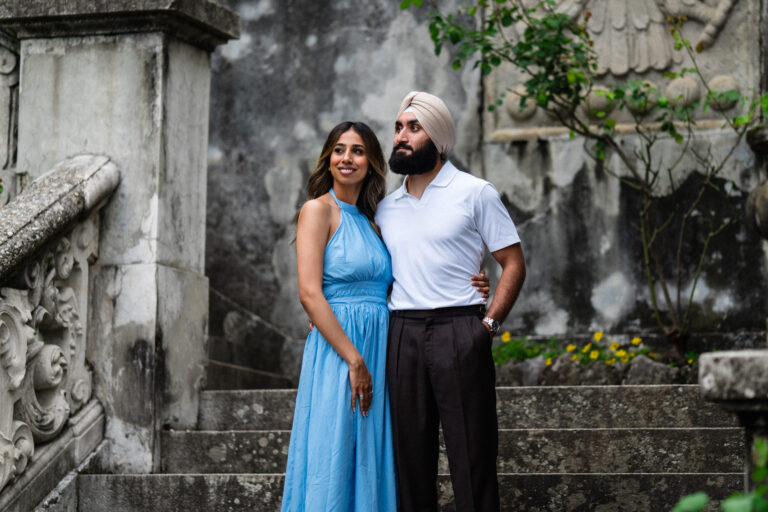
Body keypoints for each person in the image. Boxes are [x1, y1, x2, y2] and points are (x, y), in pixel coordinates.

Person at [281, 121, 490, 511]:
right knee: (336, 450)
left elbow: (406, 276)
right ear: (328, 159)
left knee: (372, 454)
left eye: (358, 151)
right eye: (339, 150)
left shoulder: (377, 219)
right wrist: (353, 358)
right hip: (342, 353)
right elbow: (309, 292)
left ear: (372, 162)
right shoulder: (317, 210)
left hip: (382, 347)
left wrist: (472, 282)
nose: (347, 158)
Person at [376, 92, 526, 512]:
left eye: (413, 127)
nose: (401, 136)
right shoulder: (386, 208)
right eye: (398, 128)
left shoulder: (475, 192)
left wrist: (488, 325)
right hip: (401, 333)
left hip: (460, 331)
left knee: (473, 457)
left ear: (437, 138)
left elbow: (513, 263)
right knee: (408, 463)